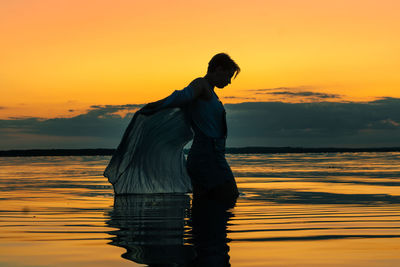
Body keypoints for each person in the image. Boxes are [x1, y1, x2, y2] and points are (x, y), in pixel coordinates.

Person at [104, 52, 240, 205]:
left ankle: (199, 228)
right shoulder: (201, 85)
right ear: (218, 69)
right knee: (229, 195)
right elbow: (180, 97)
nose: (229, 82)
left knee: (207, 202)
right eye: (228, 76)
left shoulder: (211, 93)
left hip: (211, 156)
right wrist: (154, 106)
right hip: (206, 157)